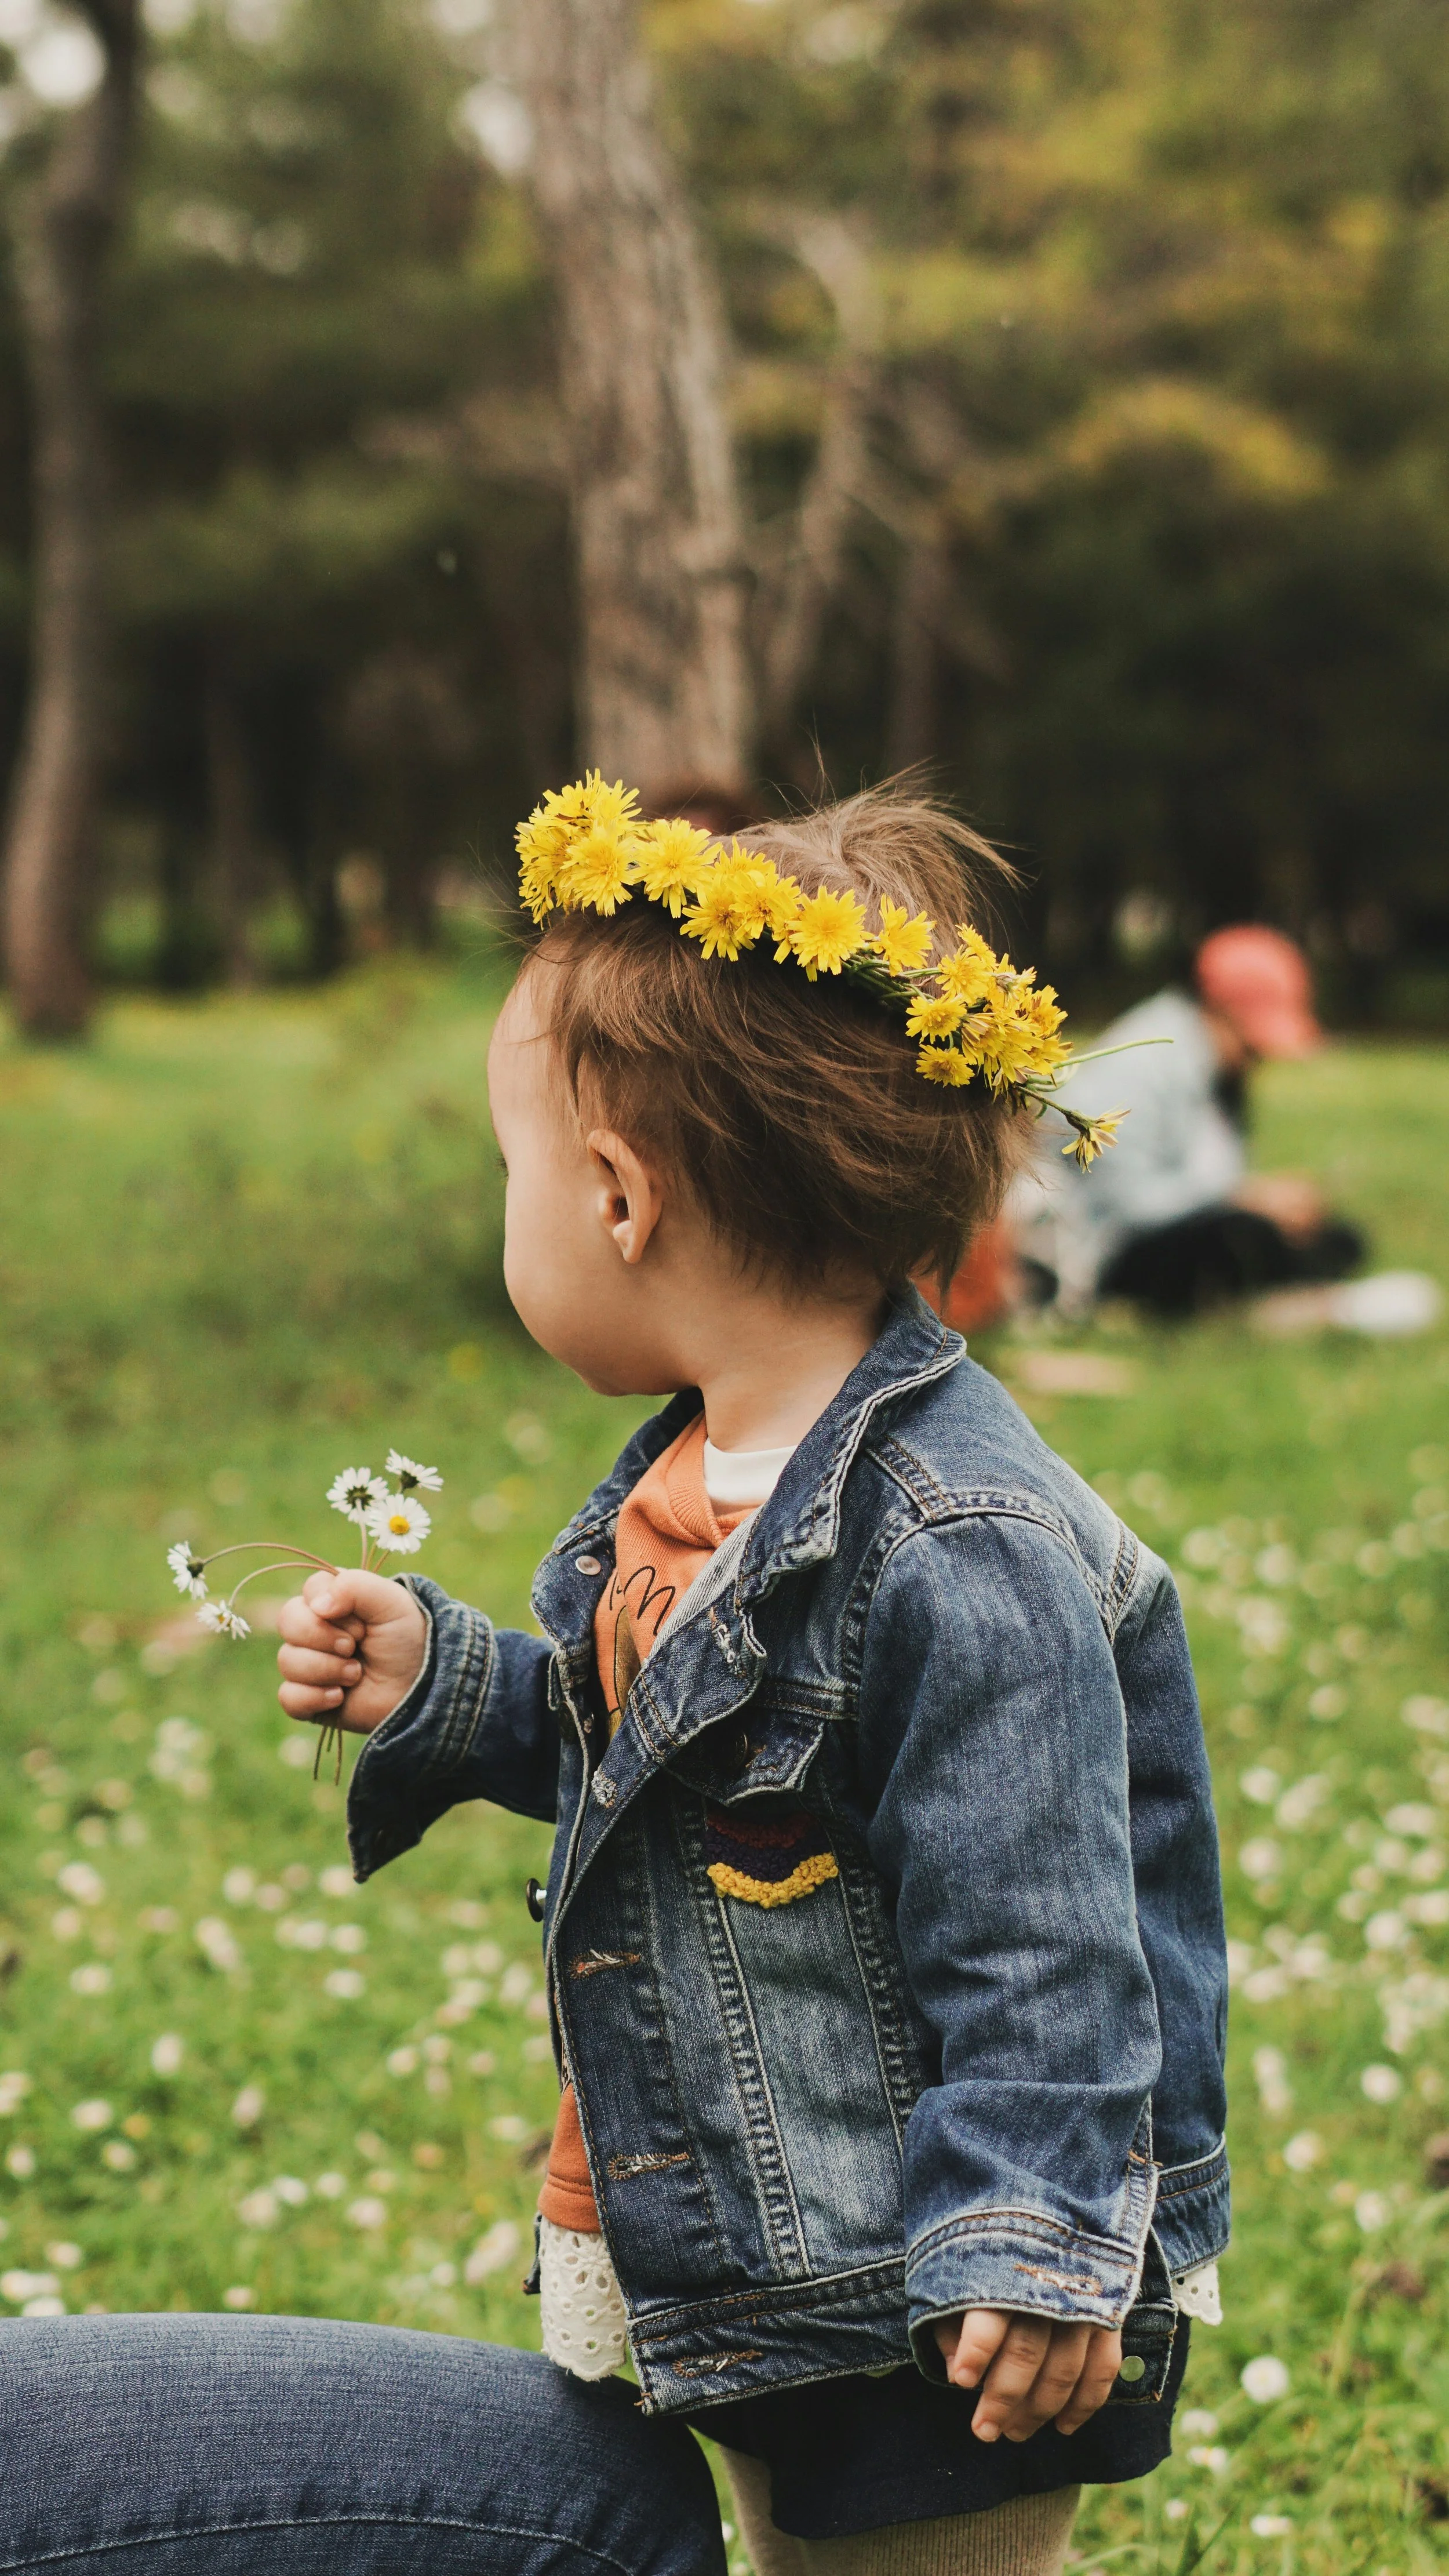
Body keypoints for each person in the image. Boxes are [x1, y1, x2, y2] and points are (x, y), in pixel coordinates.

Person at [273, 780, 1229, 2576]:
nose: (515, 1211)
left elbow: (1042, 1931)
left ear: (618, 1194)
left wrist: (1030, 2241)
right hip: (750, 2210)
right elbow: (645, 1741)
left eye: (517, 1169)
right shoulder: (697, 1473)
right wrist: (448, 1680)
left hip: (932, 2293)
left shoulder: (959, 1544)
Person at [1022, 924, 1363, 1317]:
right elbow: (1124, 1204)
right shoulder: (1144, 1061)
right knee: (1243, 1237)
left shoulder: (1217, 1073)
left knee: (1335, 1237)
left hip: (1182, 1218)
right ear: (1220, 1011)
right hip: (1105, 1249)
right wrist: (1242, 1198)